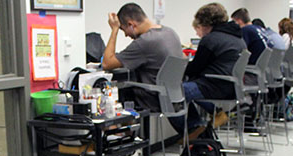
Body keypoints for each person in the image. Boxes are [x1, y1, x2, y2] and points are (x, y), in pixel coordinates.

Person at [175, 2, 245, 135]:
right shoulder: (237, 38)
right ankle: (204, 122)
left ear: (204, 25)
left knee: (175, 91)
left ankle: (193, 129)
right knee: (189, 86)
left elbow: (195, 68)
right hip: (232, 86)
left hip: (216, 86)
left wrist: (178, 69)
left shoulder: (211, 40)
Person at [102, 3, 183, 116]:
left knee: (114, 93)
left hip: (153, 101)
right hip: (174, 99)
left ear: (131, 24)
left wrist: (114, 29)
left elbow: (106, 63)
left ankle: (120, 132)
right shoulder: (170, 32)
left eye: (124, 29)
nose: (125, 35)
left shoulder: (145, 42)